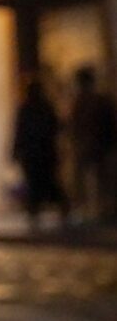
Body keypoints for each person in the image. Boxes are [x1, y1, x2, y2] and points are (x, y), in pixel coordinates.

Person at [13, 80, 69, 226]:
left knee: (41, 182)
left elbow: (20, 132)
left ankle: (38, 210)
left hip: (37, 153)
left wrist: (16, 151)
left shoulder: (30, 108)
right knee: (42, 182)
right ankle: (37, 210)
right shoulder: (42, 107)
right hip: (41, 152)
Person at [70, 66, 117, 222]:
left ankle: (96, 209)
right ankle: (97, 209)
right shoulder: (94, 101)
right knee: (96, 179)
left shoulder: (87, 102)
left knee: (94, 179)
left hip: (94, 145)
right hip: (95, 145)